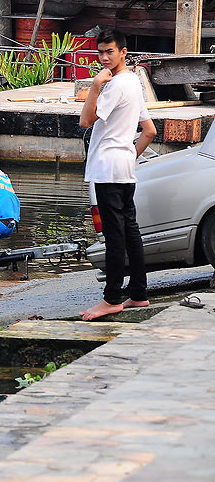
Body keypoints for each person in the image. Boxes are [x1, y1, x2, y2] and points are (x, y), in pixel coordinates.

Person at [78, 28, 157, 321]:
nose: (104, 58)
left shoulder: (116, 85)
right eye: (100, 52)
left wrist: (96, 84)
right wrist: (128, 155)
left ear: (123, 52)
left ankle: (111, 298)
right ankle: (138, 293)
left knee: (115, 235)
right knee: (130, 230)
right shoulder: (135, 83)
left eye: (110, 51)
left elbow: (86, 120)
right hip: (123, 166)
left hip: (109, 167)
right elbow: (149, 131)